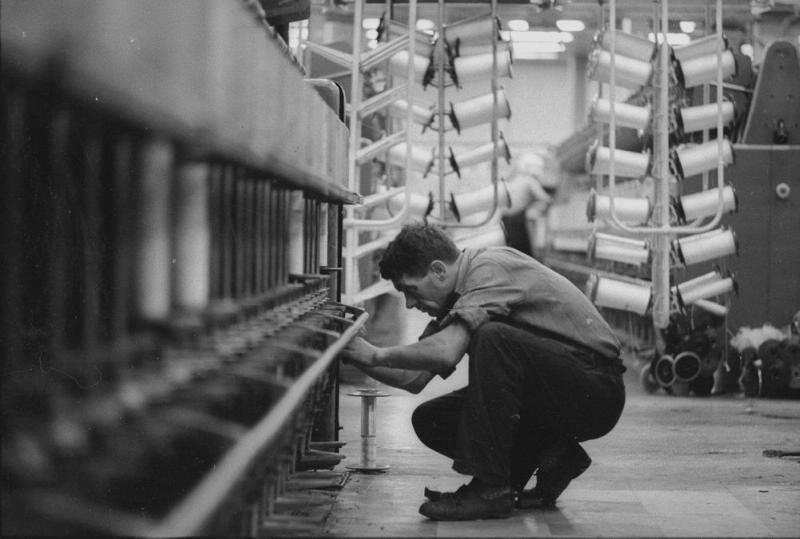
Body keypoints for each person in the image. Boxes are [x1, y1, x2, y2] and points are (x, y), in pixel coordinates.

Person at [342, 223, 626, 521]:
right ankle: (552, 454)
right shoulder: (457, 297)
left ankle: (491, 490)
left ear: (438, 271)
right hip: (559, 390)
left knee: (493, 338)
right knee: (432, 419)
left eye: (410, 290)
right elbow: (413, 378)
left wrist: (376, 353)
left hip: (596, 390)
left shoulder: (487, 271)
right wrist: (352, 352)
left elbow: (445, 351)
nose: (410, 304)